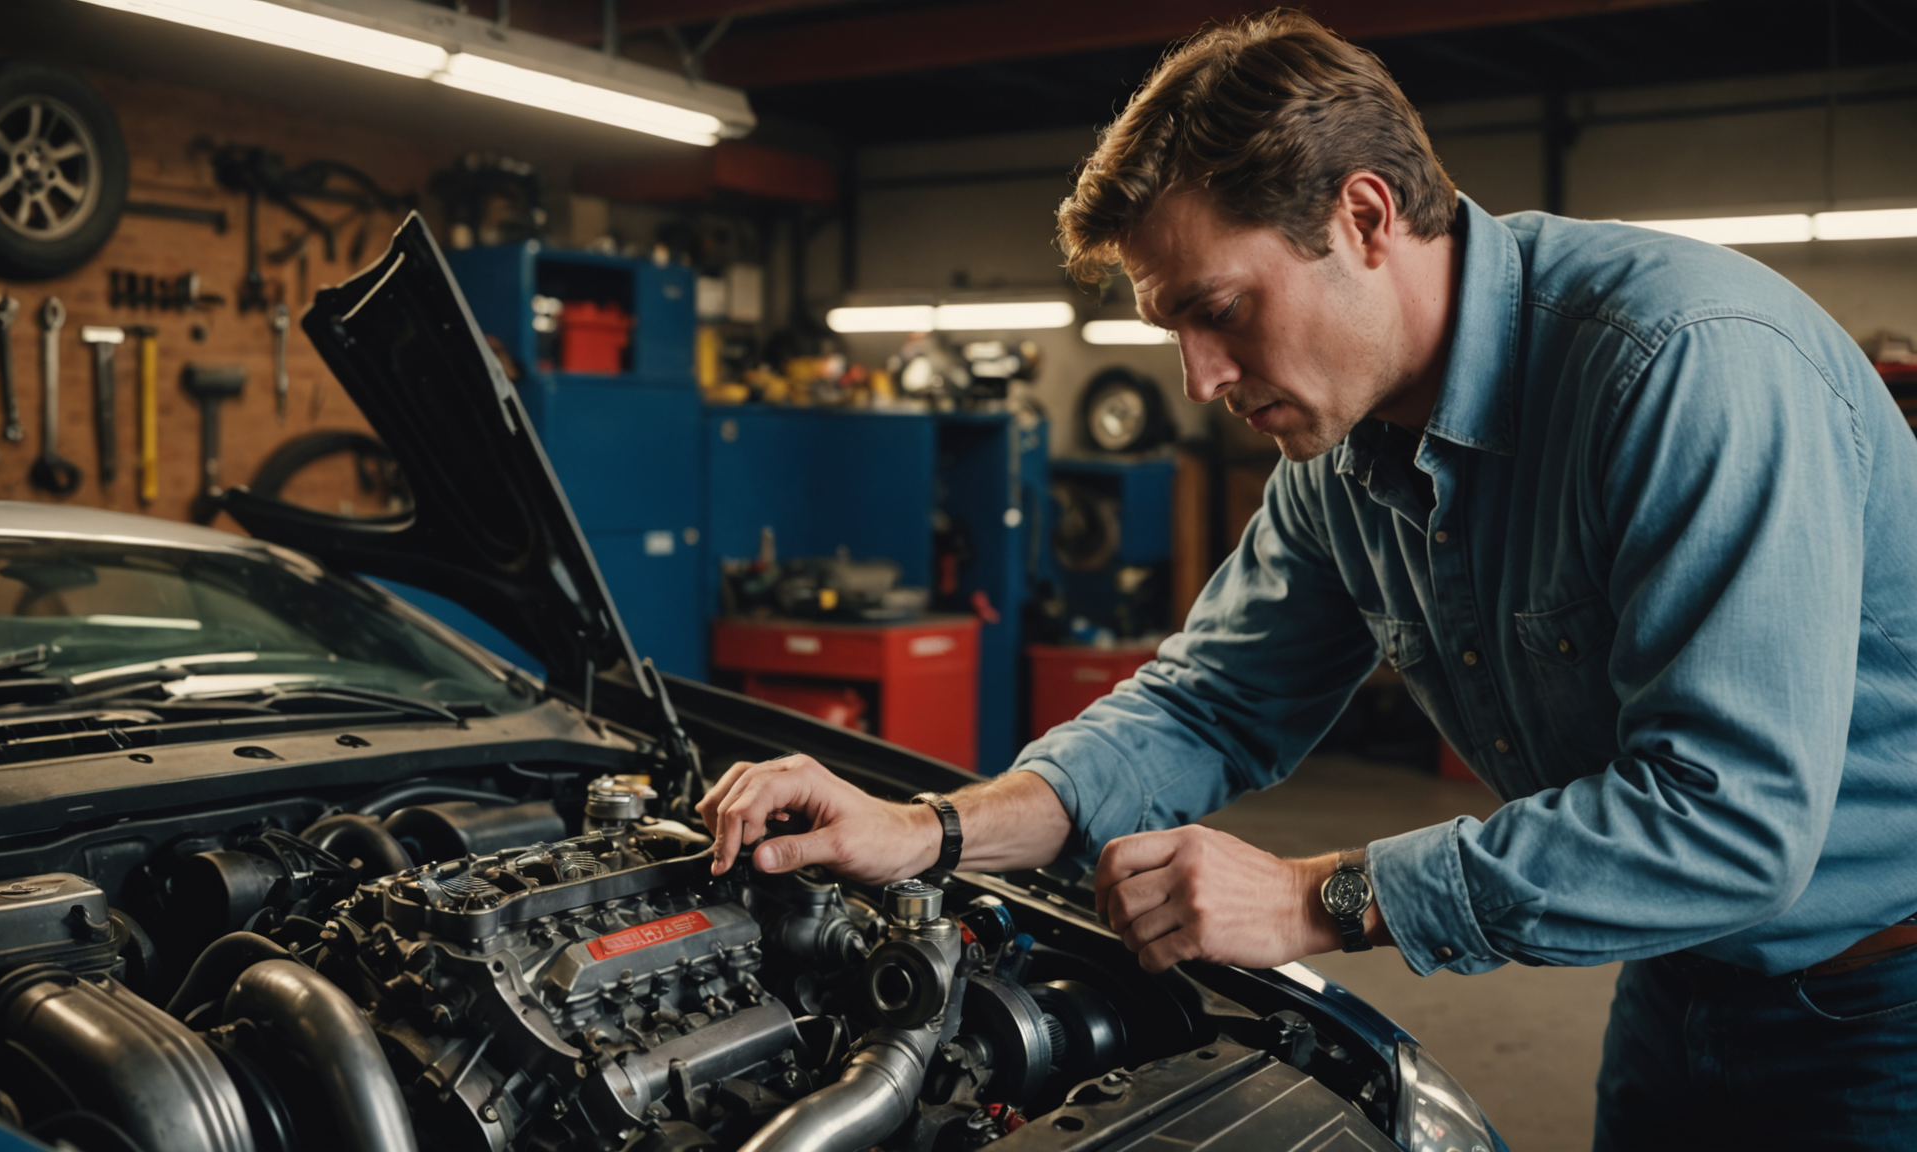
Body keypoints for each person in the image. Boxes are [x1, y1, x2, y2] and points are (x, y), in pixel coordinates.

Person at [698, 10, 1917, 1148]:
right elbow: (1204, 707)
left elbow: (1732, 818)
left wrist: (1317, 896)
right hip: (1680, 977)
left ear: (1367, 218)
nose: (1199, 379)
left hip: (1885, 997)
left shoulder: (1684, 370)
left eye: (1220, 311)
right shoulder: (1345, 454)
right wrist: (929, 832)